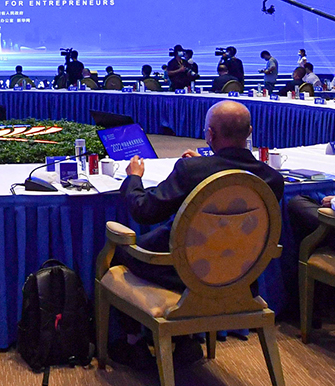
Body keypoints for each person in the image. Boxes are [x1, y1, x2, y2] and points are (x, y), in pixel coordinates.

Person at [110, 100, 284, 368]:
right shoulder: (272, 179)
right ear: (249, 132)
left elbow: (143, 211)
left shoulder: (192, 171)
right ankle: (184, 341)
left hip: (184, 271)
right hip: (239, 277)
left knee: (120, 252)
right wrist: (204, 164)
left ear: (210, 134)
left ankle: (133, 343)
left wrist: (134, 178)